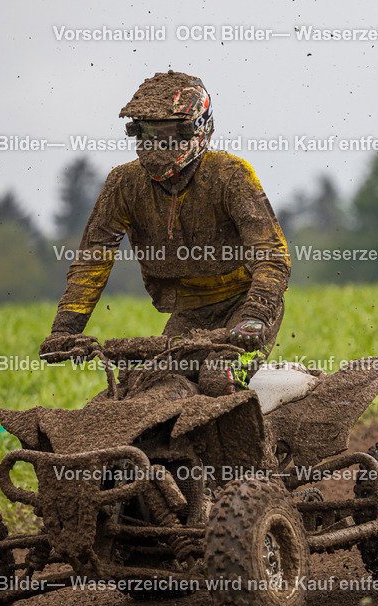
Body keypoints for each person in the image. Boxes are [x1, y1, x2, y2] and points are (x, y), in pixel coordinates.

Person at [40, 71, 290, 394]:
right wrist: (65, 329)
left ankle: (256, 440)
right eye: (147, 133)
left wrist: (257, 312)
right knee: (150, 384)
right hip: (188, 315)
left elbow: (272, 255)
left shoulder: (231, 176)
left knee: (218, 378)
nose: (157, 145)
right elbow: (93, 260)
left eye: (167, 133)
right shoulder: (124, 184)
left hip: (244, 307)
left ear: (196, 129)